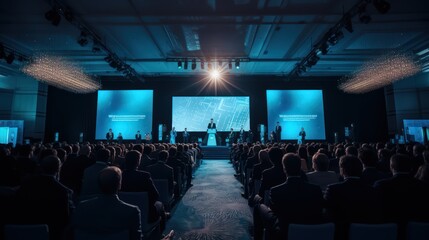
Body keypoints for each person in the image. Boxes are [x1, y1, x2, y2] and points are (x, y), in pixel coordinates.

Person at [253, 153, 324, 240]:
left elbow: (274, 211)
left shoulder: (276, 191)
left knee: (258, 207)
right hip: (312, 228)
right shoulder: (316, 189)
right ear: (299, 167)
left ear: (284, 169)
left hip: (284, 230)